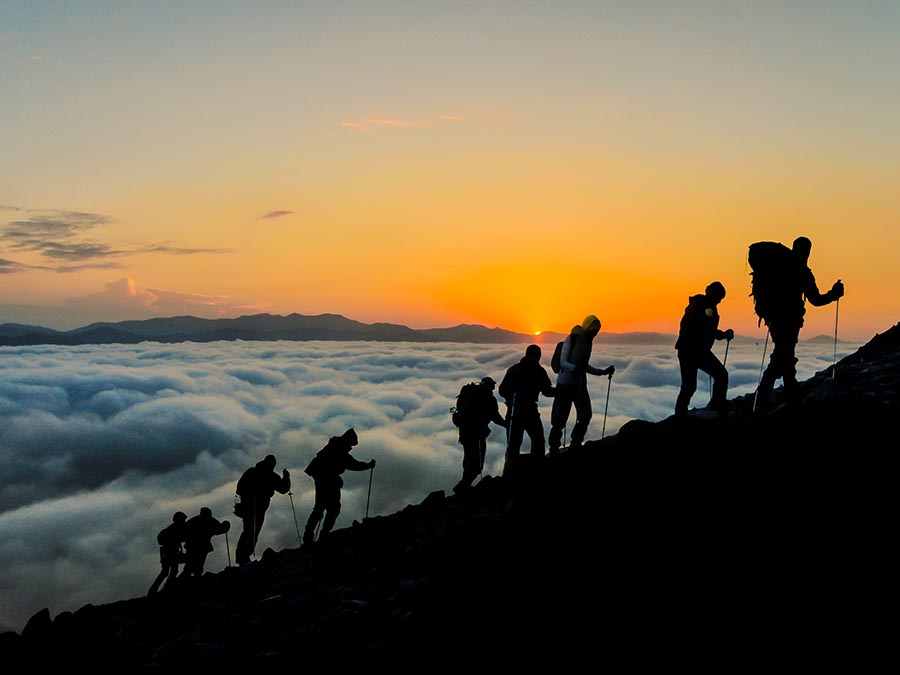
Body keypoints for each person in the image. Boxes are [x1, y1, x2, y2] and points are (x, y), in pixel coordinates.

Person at [756, 236, 844, 410]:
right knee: (783, 354)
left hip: (775, 320)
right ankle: (770, 394)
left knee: (784, 354)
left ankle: (786, 393)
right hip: (789, 320)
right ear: (808, 251)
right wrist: (834, 294)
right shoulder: (802, 271)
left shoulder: (779, 267)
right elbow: (816, 300)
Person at [547, 315, 615, 453]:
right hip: (565, 384)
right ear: (587, 328)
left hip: (579, 384)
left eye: (596, 331)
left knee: (585, 415)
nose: (595, 333)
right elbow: (563, 363)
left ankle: (575, 442)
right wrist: (575, 368)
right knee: (560, 418)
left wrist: (602, 372)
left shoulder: (588, 343)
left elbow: (584, 366)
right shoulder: (571, 339)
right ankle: (555, 447)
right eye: (593, 330)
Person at [302, 428, 375, 545]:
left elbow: (349, 462)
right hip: (328, 479)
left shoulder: (334, 446)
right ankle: (323, 534)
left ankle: (309, 536)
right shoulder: (339, 449)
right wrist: (368, 465)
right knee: (333, 508)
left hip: (322, 478)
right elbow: (352, 464)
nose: (351, 447)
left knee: (320, 508)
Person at [674, 281, 735, 417]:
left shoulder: (701, 305)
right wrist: (724, 334)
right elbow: (707, 329)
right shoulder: (702, 306)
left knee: (689, 386)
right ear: (710, 292)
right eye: (719, 297)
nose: (719, 301)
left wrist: (723, 334)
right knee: (720, 375)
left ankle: (680, 415)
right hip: (695, 351)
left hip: (689, 350)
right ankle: (716, 405)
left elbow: (708, 329)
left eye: (721, 299)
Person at [498, 344, 556, 476]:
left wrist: (511, 397)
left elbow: (502, 390)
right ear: (538, 356)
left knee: (514, 446)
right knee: (537, 441)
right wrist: (560, 392)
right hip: (527, 412)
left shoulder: (515, 369)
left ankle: (510, 475)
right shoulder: (538, 370)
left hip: (516, 412)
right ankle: (535, 471)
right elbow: (547, 391)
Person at [452, 376, 507, 494]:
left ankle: (464, 485)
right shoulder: (488, 399)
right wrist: (506, 424)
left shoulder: (471, 394)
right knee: (477, 464)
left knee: (469, 460)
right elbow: (495, 416)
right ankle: (463, 486)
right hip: (476, 434)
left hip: (465, 433)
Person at [234, 454, 291, 565]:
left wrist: (247, 495)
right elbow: (283, 489)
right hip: (259, 507)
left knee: (248, 531)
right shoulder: (271, 476)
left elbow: (239, 488)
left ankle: (242, 557)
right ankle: (243, 557)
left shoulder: (251, 471)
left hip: (247, 507)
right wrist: (286, 478)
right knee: (253, 531)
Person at [179, 507, 230, 579]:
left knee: (191, 565)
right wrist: (226, 526)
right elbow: (220, 529)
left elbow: (184, 530)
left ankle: (186, 580)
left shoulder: (194, 520)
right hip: (201, 547)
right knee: (197, 565)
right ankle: (193, 579)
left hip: (193, 546)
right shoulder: (211, 521)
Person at [147, 511, 187, 595]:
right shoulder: (175, 529)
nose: (184, 521)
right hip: (170, 553)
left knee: (166, 572)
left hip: (167, 553)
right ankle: (166, 588)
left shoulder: (172, 528)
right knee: (170, 571)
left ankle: (157, 589)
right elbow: (181, 538)